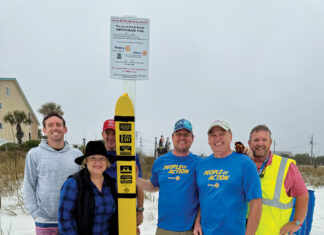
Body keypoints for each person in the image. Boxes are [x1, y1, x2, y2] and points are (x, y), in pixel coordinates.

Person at [194, 119, 262, 235]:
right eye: (213, 135)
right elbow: (204, 197)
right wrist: (197, 222)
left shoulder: (245, 163)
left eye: (222, 134)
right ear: (209, 140)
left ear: (230, 136)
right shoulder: (201, 165)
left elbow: (256, 203)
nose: (217, 138)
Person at [137, 118, 202, 235]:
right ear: (172, 137)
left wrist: (198, 221)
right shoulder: (160, 162)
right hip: (164, 228)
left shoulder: (200, 163)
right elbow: (153, 186)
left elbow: (206, 195)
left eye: (186, 134)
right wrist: (135, 179)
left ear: (192, 138)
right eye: (179, 134)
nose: (182, 138)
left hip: (191, 229)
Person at [22, 112, 81, 234]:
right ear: (44, 130)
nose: (55, 128)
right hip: (45, 222)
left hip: (73, 220)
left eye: (58, 124)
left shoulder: (77, 155)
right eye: (50, 125)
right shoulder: (34, 154)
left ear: (65, 129)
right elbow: (28, 186)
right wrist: (35, 214)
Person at [248, 125, 309, 235]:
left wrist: (297, 222)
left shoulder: (285, 166)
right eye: (256, 140)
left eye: (264, 140)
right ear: (249, 143)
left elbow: (303, 195)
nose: (260, 143)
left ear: (270, 142)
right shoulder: (243, 164)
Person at [58, 140, 117, 234]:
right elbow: (65, 221)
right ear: (85, 161)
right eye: (93, 158)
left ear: (107, 162)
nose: (98, 162)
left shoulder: (111, 184)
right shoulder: (73, 183)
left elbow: (115, 219)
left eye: (102, 158)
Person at [101, 119, 144, 229]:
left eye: (114, 133)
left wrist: (140, 210)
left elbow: (139, 184)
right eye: (107, 133)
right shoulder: (97, 156)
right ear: (102, 135)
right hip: (102, 211)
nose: (111, 137)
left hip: (125, 209)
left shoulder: (130, 155)